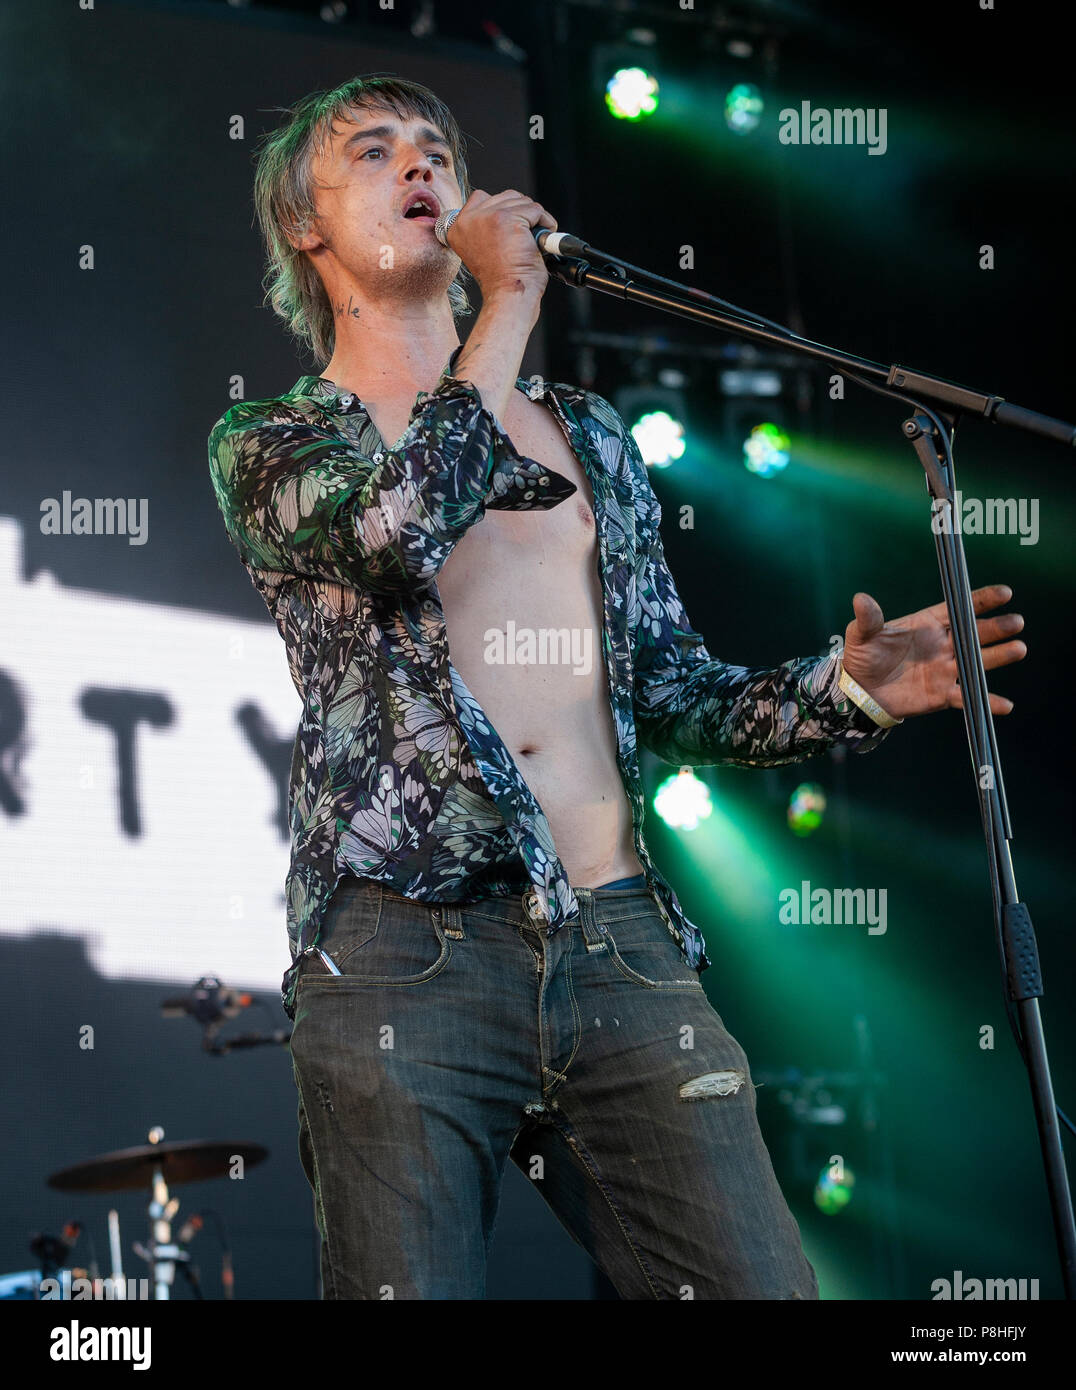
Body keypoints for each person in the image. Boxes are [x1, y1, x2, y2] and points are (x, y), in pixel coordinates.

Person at [207, 76, 1027, 1299]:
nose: (421, 167)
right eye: (373, 153)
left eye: (437, 148)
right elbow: (398, 531)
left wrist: (841, 688)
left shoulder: (587, 433)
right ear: (305, 227)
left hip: (622, 940)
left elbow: (672, 692)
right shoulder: (274, 442)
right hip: (403, 952)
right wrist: (512, 300)